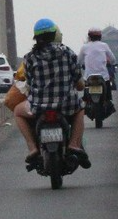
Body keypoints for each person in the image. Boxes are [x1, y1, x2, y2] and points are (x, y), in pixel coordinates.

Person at [11, 17, 89, 172]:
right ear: (55, 34)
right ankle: (74, 144)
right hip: (66, 105)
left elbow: (30, 82)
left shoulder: (29, 58)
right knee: (80, 109)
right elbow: (78, 81)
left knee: (17, 112)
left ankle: (33, 148)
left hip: (38, 107)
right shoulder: (68, 53)